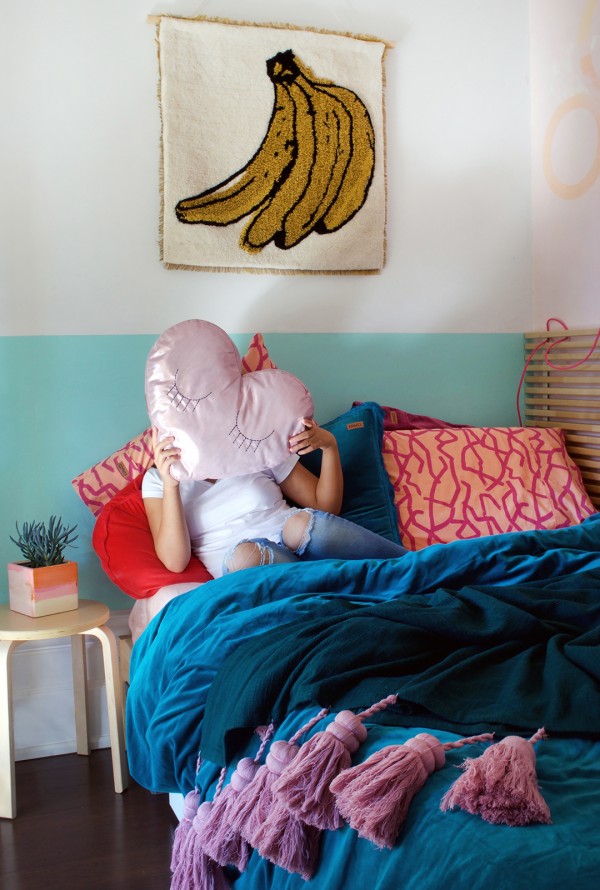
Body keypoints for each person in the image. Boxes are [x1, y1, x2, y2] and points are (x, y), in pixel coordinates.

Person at [142, 419, 406, 580]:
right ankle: (337, 584)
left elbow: (326, 507)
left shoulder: (253, 447)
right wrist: (172, 483)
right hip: (256, 567)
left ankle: (414, 565)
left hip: (304, 542)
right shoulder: (158, 481)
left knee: (299, 524)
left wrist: (330, 447)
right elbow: (175, 562)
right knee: (244, 556)